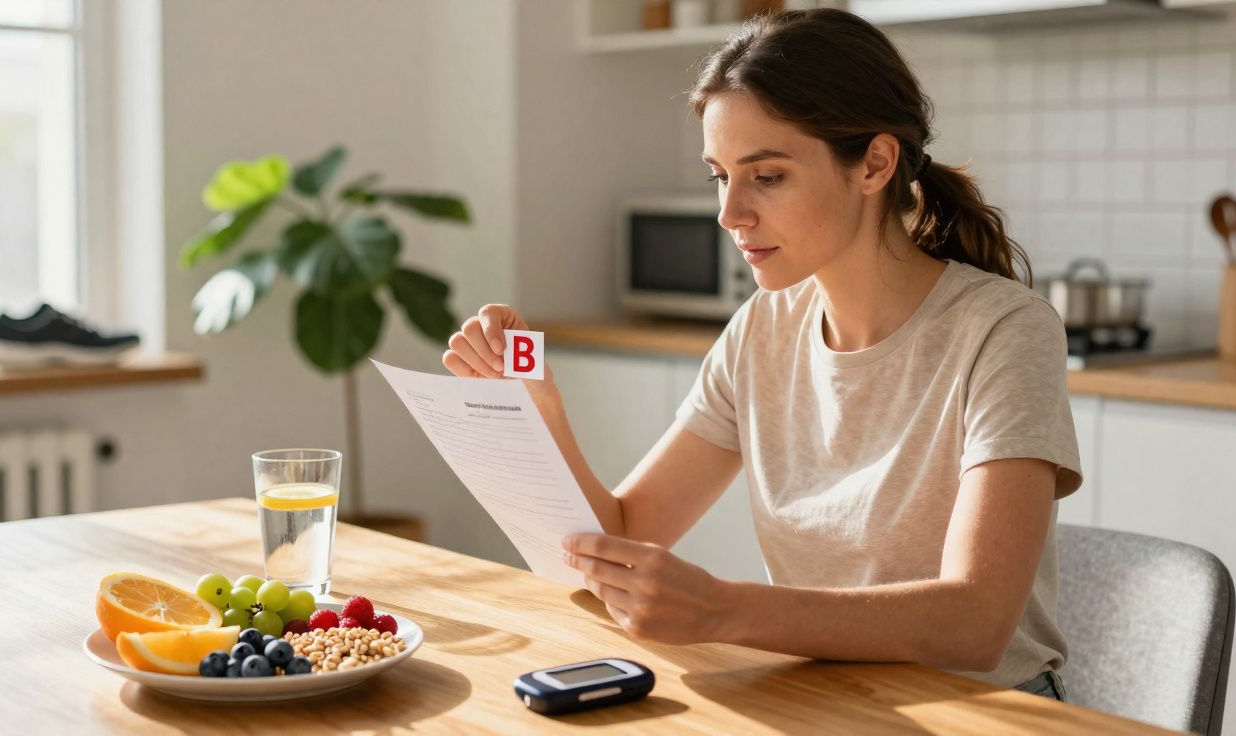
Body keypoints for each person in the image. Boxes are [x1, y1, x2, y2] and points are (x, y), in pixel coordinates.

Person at [441, 8, 1079, 702]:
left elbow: (975, 623)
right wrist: (540, 411)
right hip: (827, 700)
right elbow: (622, 535)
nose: (730, 212)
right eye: (720, 175)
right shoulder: (762, 330)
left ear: (874, 163)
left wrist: (724, 609)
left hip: (989, 713)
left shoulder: (1005, 331)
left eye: (766, 176)